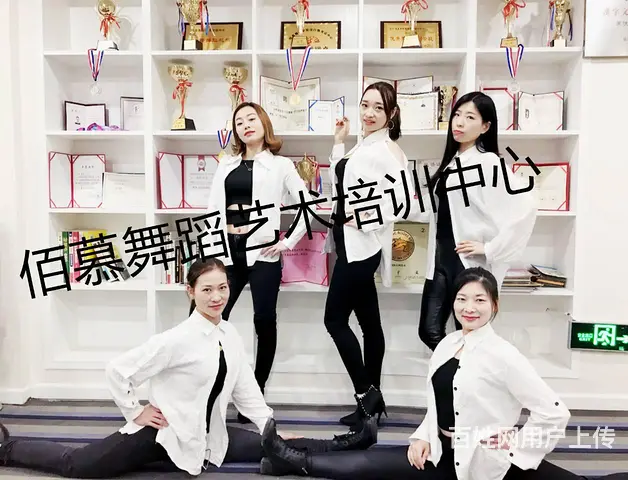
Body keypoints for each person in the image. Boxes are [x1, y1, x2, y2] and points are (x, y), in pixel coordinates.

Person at [0, 258, 377, 478]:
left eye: (222, 288)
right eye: (207, 289)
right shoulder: (177, 339)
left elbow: (246, 389)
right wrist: (136, 411)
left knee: (277, 443)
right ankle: (8, 448)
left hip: (209, 436)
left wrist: (268, 426)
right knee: (79, 466)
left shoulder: (229, 334)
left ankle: (348, 442)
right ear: (191, 292)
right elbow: (117, 370)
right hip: (162, 435)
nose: (217, 296)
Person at [259, 267, 628, 480]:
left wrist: (516, 446)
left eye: (479, 300)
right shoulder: (447, 344)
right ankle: (292, 459)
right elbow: (437, 405)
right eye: (462, 299)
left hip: (487, 465)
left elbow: (555, 413)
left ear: (495, 305)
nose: (469, 308)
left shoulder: (503, 355)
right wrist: (423, 437)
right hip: (442, 455)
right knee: (373, 465)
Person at [207, 101, 314, 423]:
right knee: (208, 319)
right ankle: (210, 388)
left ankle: (255, 393)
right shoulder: (226, 164)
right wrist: (212, 249)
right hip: (228, 252)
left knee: (264, 321)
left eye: (251, 118)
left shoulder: (280, 165)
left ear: (264, 123)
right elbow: (212, 209)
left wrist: (286, 242)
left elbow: (307, 206)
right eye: (239, 122)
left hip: (263, 253)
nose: (245, 125)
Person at [324, 81, 420, 430]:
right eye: (365, 105)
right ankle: (370, 408)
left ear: (391, 113)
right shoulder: (365, 145)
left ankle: (368, 395)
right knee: (369, 325)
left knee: (334, 320)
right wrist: (339, 142)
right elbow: (341, 182)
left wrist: (364, 218)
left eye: (378, 107)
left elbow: (404, 202)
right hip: (349, 243)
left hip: (361, 248)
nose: (369, 112)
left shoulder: (388, 150)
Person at [418, 91, 537, 352]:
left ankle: (466, 374)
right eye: (457, 115)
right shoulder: (453, 163)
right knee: (429, 331)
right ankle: (458, 372)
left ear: (485, 127)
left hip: (466, 262)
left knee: (469, 333)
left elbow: (526, 205)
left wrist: (490, 248)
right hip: (441, 258)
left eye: (470, 117)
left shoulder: (488, 162)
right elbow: (435, 209)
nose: (459, 122)